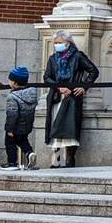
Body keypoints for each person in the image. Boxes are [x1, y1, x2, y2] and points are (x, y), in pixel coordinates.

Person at [43, 31, 99, 168]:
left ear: (68, 43)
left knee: (70, 129)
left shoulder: (78, 56)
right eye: (55, 43)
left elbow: (93, 71)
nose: (57, 45)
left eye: (60, 42)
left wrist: (84, 86)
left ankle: (69, 160)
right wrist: (59, 87)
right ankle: (57, 161)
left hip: (72, 97)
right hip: (57, 96)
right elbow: (47, 77)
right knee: (55, 128)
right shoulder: (52, 59)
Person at [3, 67, 39, 171]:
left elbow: (12, 114)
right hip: (26, 126)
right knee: (22, 141)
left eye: (9, 80)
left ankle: (12, 163)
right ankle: (30, 153)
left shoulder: (12, 97)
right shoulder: (31, 94)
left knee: (9, 143)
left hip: (15, 126)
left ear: (14, 83)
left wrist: (9, 129)